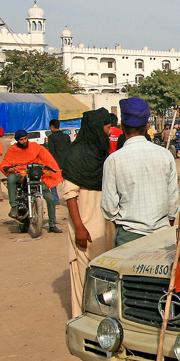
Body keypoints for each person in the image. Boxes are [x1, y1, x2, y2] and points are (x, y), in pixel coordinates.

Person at [59, 108, 116, 316]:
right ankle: (81, 319)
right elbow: (70, 195)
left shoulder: (102, 155)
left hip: (105, 225)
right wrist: (80, 228)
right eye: (107, 127)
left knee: (105, 276)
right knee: (83, 275)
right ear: (95, 129)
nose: (110, 131)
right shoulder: (75, 156)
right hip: (85, 225)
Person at [101, 97, 179, 247]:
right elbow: (173, 201)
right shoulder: (165, 155)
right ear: (146, 126)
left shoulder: (114, 160)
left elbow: (109, 208)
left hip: (128, 235)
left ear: (122, 126)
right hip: (162, 234)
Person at [1, 129, 63, 233]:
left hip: (35, 177)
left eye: (25, 138)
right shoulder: (12, 150)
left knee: (50, 198)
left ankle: (52, 224)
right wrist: (9, 169)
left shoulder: (35, 147)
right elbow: (4, 164)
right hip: (20, 175)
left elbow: (46, 158)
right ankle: (14, 206)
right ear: (17, 140)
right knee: (10, 178)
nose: (24, 141)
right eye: (21, 139)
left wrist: (49, 168)